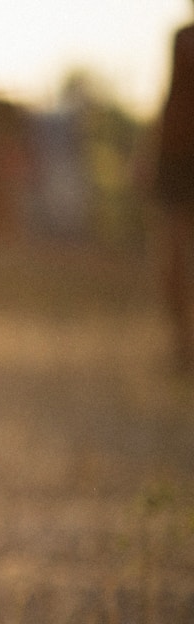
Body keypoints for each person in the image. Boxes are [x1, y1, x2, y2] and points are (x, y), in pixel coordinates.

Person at [153, 5, 194, 375]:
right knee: (174, 252)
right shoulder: (183, 39)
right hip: (179, 156)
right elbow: (170, 96)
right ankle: (182, 346)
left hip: (178, 153)